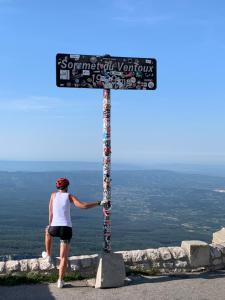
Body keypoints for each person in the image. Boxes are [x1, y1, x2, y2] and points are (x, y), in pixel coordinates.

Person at [42, 177, 107, 288]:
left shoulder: (53, 195)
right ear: (67, 187)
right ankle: (60, 281)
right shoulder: (69, 196)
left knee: (47, 232)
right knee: (63, 257)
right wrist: (99, 203)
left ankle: (48, 254)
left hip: (54, 227)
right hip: (66, 229)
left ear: (57, 187)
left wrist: (51, 225)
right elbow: (83, 206)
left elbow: (50, 213)